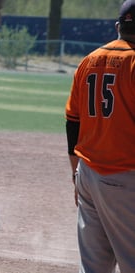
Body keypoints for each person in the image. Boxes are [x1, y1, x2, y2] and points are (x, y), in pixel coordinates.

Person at [65, 1, 135, 272]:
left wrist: (75, 175)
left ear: (118, 26)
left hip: (88, 174)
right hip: (125, 176)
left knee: (94, 267)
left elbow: (72, 122)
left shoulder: (88, 61)